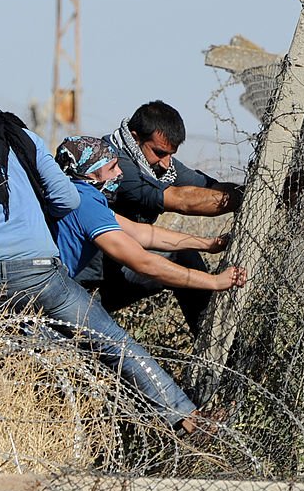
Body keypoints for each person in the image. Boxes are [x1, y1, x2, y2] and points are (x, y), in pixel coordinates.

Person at [0, 91, 204, 434]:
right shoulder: (23, 143)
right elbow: (66, 198)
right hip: (41, 272)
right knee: (113, 343)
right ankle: (185, 417)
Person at [53, 136, 247, 315]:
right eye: (112, 168)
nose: (119, 173)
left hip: (71, 291)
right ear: (90, 174)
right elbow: (143, 262)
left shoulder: (83, 196)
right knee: (126, 352)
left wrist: (208, 244)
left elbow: (140, 232)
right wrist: (214, 282)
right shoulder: (85, 205)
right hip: (66, 298)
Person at [99, 100, 242, 334]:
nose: (166, 164)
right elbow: (182, 200)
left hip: (123, 259)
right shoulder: (115, 166)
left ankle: (210, 340)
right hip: (91, 279)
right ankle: (210, 341)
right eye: (160, 153)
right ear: (135, 138)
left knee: (181, 253)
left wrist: (262, 191)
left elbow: (209, 188)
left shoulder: (156, 163)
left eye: (171, 155)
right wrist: (251, 196)